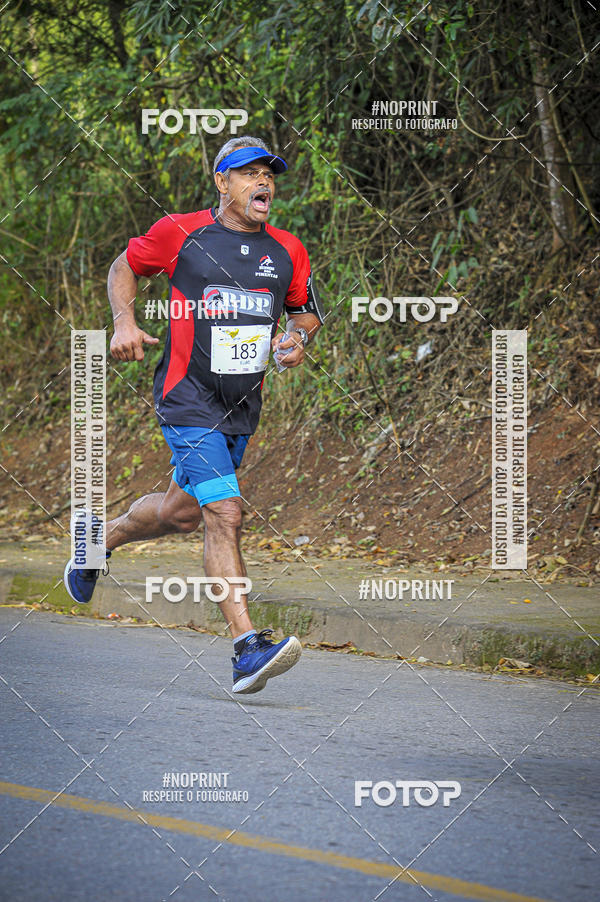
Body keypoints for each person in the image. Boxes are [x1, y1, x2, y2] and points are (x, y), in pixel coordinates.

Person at [64, 135, 323, 694]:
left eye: (269, 174)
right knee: (224, 513)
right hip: (186, 398)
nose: (263, 183)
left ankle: (95, 543)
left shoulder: (287, 249)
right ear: (221, 183)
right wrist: (125, 322)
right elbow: (123, 266)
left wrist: (295, 340)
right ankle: (246, 648)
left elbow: (304, 314)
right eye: (247, 173)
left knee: (182, 514)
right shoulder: (181, 233)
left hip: (241, 407)